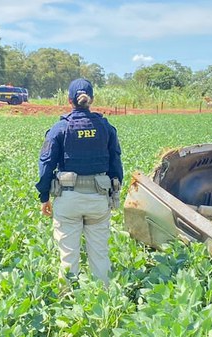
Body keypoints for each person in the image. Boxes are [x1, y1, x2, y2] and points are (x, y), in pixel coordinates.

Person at [36, 78, 123, 284]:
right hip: (98, 198)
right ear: (91, 99)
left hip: (68, 199)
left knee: (68, 256)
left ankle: (67, 303)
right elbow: (116, 165)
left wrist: (43, 197)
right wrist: (115, 192)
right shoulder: (105, 127)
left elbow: (46, 164)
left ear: (69, 100)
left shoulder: (59, 128)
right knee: (100, 255)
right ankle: (105, 302)